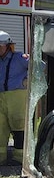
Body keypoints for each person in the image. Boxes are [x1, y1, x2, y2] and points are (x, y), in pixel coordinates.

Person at [0, 31, 29, 165]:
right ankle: (1, 158)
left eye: (1, 46)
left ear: (8, 45)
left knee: (19, 128)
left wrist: (28, 80)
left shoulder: (20, 58)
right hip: (1, 98)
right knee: (0, 128)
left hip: (17, 98)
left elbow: (40, 66)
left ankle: (19, 159)